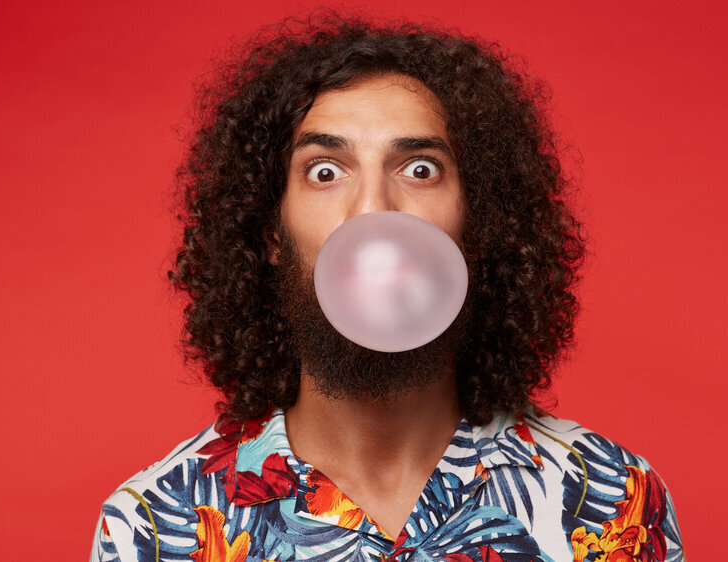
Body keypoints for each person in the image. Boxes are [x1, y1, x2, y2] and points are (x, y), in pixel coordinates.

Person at [90, 11, 684, 562]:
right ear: (270, 231)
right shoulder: (155, 528)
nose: (373, 209)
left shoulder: (611, 504)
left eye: (419, 168)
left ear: (477, 224)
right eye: (325, 171)